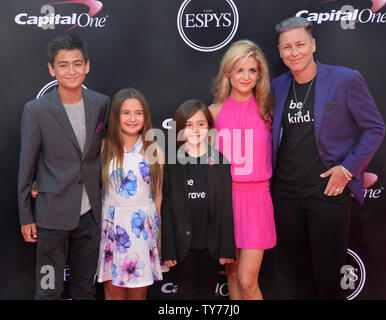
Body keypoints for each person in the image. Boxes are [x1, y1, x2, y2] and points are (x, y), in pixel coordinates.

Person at [271, 17, 386, 299]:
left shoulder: (345, 79)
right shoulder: (276, 87)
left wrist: (347, 169)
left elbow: (375, 128)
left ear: (313, 45)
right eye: (287, 47)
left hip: (327, 194)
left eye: (299, 44)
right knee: (298, 278)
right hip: (285, 196)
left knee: (327, 281)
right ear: (279, 51)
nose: (294, 52)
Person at [18, 34, 110, 299]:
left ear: (87, 66)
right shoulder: (36, 110)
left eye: (77, 64)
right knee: (48, 289)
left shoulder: (102, 104)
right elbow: (27, 165)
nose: (71, 71)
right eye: (63, 65)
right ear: (51, 69)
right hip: (50, 217)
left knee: (85, 289)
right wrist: (26, 216)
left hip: (91, 216)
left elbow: (103, 153)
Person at [209, 40, 276, 300]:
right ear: (228, 73)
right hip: (225, 200)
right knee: (234, 277)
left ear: (260, 74)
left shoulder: (268, 111)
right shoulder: (213, 112)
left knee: (248, 280)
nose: (245, 77)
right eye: (239, 70)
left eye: (252, 70)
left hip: (257, 200)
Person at [161, 99, 235, 299]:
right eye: (188, 125)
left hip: (211, 247)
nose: (195, 130)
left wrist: (226, 247)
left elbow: (227, 207)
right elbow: (166, 209)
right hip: (183, 248)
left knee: (207, 294)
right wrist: (167, 250)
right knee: (185, 294)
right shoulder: (173, 164)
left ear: (209, 128)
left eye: (200, 124)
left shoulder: (220, 161)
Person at [96, 88, 163, 300]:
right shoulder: (104, 148)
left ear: (145, 116)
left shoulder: (155, 150)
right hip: (112, 227)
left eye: (138, 113)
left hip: (142, 228)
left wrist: (158, 237)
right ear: (116, 116)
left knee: (138, 293)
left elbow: (158, 195)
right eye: (126, 113)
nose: (132, 119)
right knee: (113, 293)